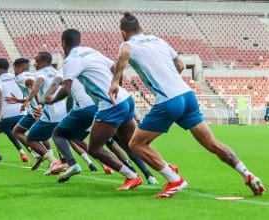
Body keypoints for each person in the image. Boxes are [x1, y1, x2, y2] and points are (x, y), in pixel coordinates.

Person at [111, 12, 265, 198]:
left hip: (168, 100)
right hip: (186, 95)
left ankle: (174, 179)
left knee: (135, 144)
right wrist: (169, 77)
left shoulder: (128, 44)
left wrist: (114, 82)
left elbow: (125, 53)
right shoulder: (158, 41)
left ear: (123, 33)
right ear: (141, 29)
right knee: (212, 143)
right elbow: (181, 65)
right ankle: (247, 174)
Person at [52, 28, 143, 190]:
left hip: (109, 105)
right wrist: (117, 87)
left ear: (63, 43)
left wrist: (50, 100)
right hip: (125, 99)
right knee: (133, 144)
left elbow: (66, 89)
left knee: (94, 148)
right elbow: (115, 67)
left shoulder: (71, 59)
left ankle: (132, 176)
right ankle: (167, 170)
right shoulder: (91, 51)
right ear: (79, 40)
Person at [0, 58, 27, 168]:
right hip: (22, 112)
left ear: (0, 68)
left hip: (8, 114)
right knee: (19, 133)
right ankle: (37, 154)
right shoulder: (15, 76)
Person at [11, 58, 50, 170]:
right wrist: (19, 101)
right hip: (32, 110)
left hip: (37, 110)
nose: (14, 70)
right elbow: (32, 91)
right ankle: (38, 156)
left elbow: (32, 86)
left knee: (41, 135)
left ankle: (51, 160)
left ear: (20, 68)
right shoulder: (33, 74)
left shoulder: (20, 77)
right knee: (17, 131)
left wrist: (38, 105)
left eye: (14, 68)